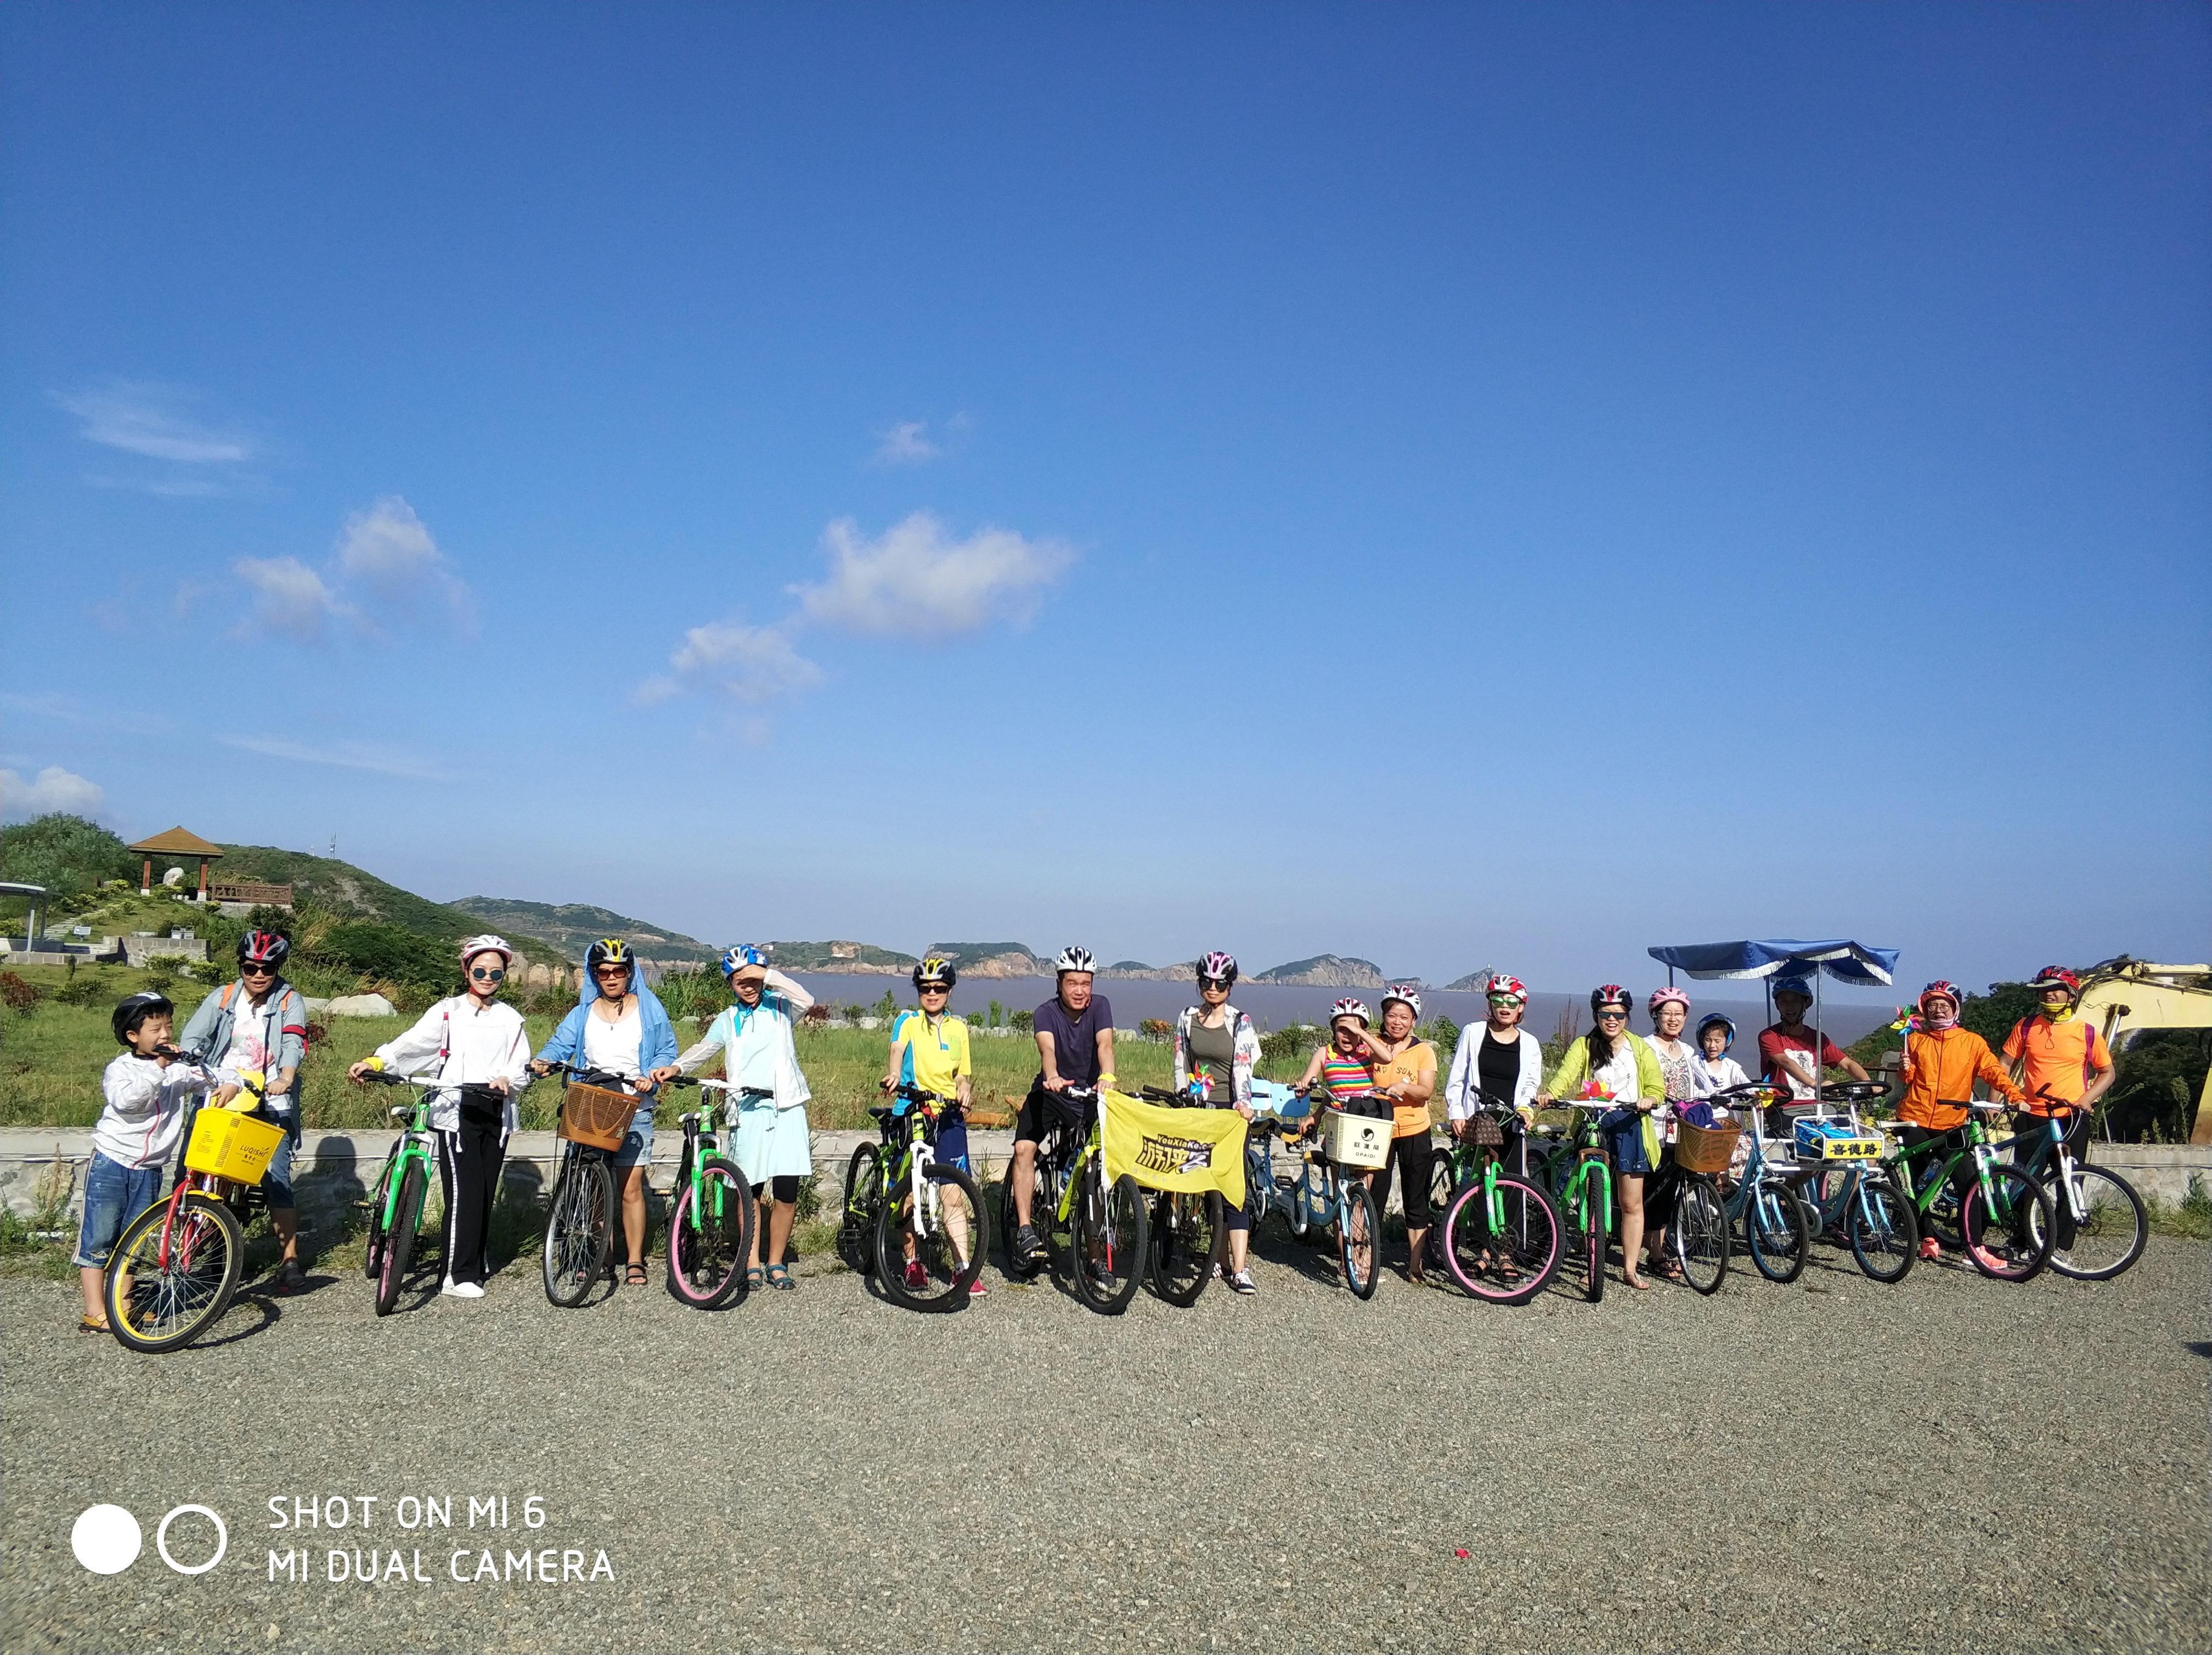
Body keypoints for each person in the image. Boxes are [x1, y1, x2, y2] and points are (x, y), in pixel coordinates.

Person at [348, 936, 533, 1298]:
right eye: (480, 970)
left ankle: (474, 1263)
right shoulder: (447, 1011)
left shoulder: (511, 1018)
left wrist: (508, 1079)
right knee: (464, 1193)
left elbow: (521, 1064)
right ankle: (454, 1275)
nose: (487, 977)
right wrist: (375, 1062)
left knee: (483, 1192)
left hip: (496, 1108)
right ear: (466, 970)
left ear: (504, 975)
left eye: (495, 972)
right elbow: (412, 1044)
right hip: (455, 1108)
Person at [76, 993, 238, 1332]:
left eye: (168, 1026)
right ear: (133, 1036)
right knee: (99, 1237)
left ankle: (122, 1306)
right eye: (155, 1028)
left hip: (150, 1168)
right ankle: (95, 1310)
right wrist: (159, 1068)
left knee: (134, 1238)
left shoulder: (178, 1068)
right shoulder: (121, 1069)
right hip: (112, 1162)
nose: (165, 1034)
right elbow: (131, 1102)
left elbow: (214, 1074)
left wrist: (230, 1084)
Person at [656, 946, 815, 1292]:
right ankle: (752, 1261)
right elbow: (705, 1048)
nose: (748, 985)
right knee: (751, 1190)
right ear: (730, 983)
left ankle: (777, 1262)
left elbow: (807, 998)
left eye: (753, 978)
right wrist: (678, 1067)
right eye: (739, 980)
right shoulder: (728, 1019)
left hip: (786, 1107)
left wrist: (768, 977)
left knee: (787, 1192)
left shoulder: (781, 1008)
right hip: (746, 1110)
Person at [531, 939, 677, 1287]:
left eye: (619, 971)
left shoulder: (649, 1008)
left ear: (630, 972)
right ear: (594, 975)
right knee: (591, 1187)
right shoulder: (582, 1013)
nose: (612, 978)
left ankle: (635, 1260)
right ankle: (599, 1255)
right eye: (603, 972)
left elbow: (666, 1048)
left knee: (630, 1190)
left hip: (634, 1108)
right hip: (592, 1104)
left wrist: (652, 1075)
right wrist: (544, 1060)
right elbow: (560, 1044)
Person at [178, 929, 311, 1293]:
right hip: (222, 1093)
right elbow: (194, 1037)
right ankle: (204, 1249)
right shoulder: (222, 998)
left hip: (270, 1099)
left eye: (267, 968)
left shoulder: (288, 1001)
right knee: (199, 1170)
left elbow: (292, 1042)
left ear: (277, 969)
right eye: (250, 967)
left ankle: (289, 1260)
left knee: (277, 1178)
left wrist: (285, 1077)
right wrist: (189, 1057)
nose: (258, 974)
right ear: (241, 966)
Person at [1538, 985, 1671, 1289]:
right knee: (1592, 1200)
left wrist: (1649, 1099)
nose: (1612, 1020)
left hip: (1630, 1124)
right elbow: (1565, 1074)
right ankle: (1594, 1264)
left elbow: (1656, 1086)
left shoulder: (1640, 1048)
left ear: (1627, 1016)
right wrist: (1551, 1094)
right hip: (1594, 1123)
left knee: (1631, 1203)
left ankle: (1630, 1269)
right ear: (1597, 1015)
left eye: (1619, 1014)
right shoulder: (1585, 1045)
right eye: (1605, 1014)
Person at [1894, 980, 2027, 1260]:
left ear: (1955, 1009)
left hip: (1952, 1122)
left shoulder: (1972, 1042)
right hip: (1914, 1118)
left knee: (1968, 1181)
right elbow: (1907, 1079)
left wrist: (2013, 1094)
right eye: (1932, 1006)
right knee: (1919, 1185)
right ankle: (1927, 1240)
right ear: (1924, 1010)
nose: (1938, 1011)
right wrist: (1904, 1068)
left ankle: (1974, 1248)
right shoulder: (1916, 1039)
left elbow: (1993, 1071)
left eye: (1945, 1005)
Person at [877, 956, 981, 1296]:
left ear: (949, 991)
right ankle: (912, 1263)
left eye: (939, 988)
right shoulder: (907, 1021)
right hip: (912, 1111)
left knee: (953, 1193)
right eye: (925, 988)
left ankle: (962, 1269)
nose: (932, 993)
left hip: (947, 1115)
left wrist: (964, 1088)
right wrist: (894, 1074)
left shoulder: (959, 1029)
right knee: (908, 1192)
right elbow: (897, 1051)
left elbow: (962, 1074)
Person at [1009, 948, 1115, 1266]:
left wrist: (1107, 1076)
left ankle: (1094, 1258)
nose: (1080, 990)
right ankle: (1025, 1228)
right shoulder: (1045, 1012)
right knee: (1024, 1150)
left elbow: (1105, 1045)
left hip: (1087, 1097)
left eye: (1086, 983)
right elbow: (1047, 1050)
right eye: (1073, 983)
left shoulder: (1101, 1007)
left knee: (1092, 1172)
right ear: (1059, 983)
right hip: (1051, 1094)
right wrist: (1052, 1076)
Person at [1171, 952, 1261, 1296]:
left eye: (1220, 984)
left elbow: (1243, 1067)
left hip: (1230, 1113)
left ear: (1230, 986)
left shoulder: (1240, 1022)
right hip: (1198, 1108)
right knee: (1203, 1184)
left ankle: (1240, 1268)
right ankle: (1216, 1260)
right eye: (1206, 982)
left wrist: (1244, 1103)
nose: (1212, 988)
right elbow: (1182, 1062)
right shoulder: (1187, 1018)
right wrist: (1182, 1097)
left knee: (1234, 1188)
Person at [1362, 984, 1440, 1286]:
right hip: (1379, 1129)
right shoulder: (1373, 1046)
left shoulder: (1423, 1051)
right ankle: (1366, 1259)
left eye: (1404, 1017)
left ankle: (1415, 1265)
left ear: (1413, 1021)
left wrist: (1405, 1087)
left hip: (1414, 1130)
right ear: (1383, 1017)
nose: (1397, 1021)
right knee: (1375, 1195)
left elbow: (1426, 1091)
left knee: (1415, 1198)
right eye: (1391, 1015)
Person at [2002, 966, 2114, 1175]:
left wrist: (2087, 1099)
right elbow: (2005, 1064)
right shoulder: (2026, 1026)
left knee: (2070, 1181)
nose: (2048, 994)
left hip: (2071, 1116)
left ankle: (2068, 1211)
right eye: (2043, 989)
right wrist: (1995, 1103)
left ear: (2071, 995)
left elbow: (2108, 1072)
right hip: (2031, 1115)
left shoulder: (2087, 1032)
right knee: (2024, 1184)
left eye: (2055, 988)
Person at [1442, 973, 1543, 1173]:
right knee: (1476, 1183)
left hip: (1511, 1122)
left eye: (1511, 1002)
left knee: (1512, 1187)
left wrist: (1525, 1109)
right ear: (1490, 1005)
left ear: (1521, 1007)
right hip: (1477, 1121)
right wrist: (1456, 1114)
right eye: (1497, 1001)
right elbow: (1457, 1077)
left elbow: (1530, 1084)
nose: (1504, 1007)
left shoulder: (1530, 1043)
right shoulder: (1473, 1032)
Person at [1757, 975, 1870, 1135]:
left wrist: (1868, 1083)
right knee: (1814, 1142)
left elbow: (1847, 1063)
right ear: (1777, 1006)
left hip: (1819, 1106)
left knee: (1855, 1137)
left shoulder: (1818, 1038)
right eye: (1784, 1001)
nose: (1790, 1007)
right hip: (1786, 1108)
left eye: (1795, 1001)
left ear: (1805, 1004)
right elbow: (1784, 1061)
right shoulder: (1769, 1036)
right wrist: (1816, 1084)